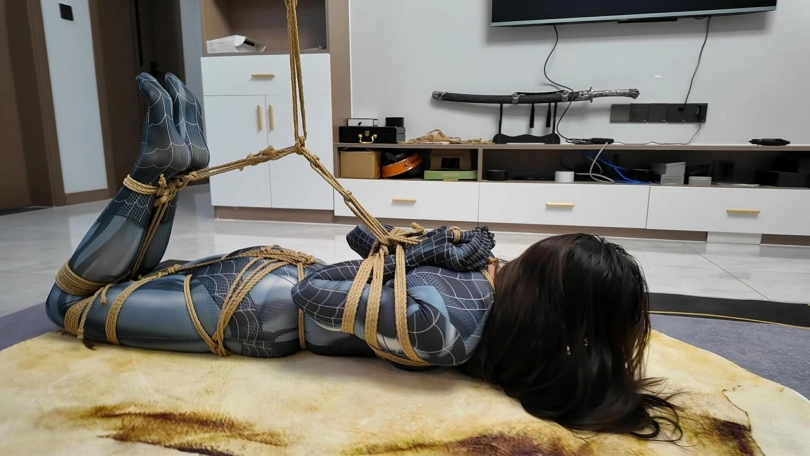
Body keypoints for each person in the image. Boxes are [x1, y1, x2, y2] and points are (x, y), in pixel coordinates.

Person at [46, 73, 680, 440]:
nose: (511, 260)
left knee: (71, 303)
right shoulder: (470, 311)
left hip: (253, 304)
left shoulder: (446, 325)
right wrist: (414, 254)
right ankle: (161, 171)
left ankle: (159, 171)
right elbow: (353, 259)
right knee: (103, 290)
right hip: (258, 290)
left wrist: (420, 255)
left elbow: (321, 289)